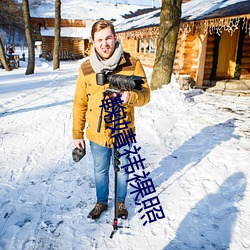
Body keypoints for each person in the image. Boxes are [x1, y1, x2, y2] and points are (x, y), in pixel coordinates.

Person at [72, 20, 150, 220]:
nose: (104, 43)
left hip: (123, 129)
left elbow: (146, 95)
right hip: (97, 133)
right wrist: (77, 134)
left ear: (115, 38)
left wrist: (130, 97)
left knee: (122, 169)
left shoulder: (132, 63)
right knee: (100, 171)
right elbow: (80, 102)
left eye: (108, 38)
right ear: (93, 42)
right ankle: (101, 202)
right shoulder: (86, 68)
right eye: (100, 40)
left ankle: (121, 202)